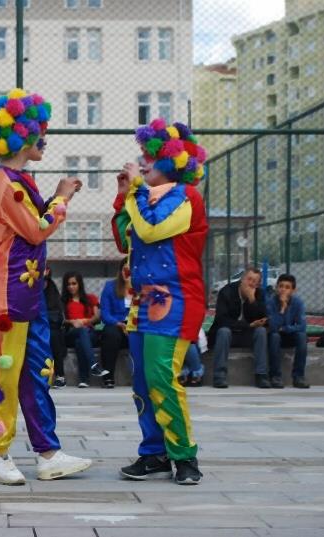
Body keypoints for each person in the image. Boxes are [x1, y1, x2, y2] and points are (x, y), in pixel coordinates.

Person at [0, 88, 91, 485]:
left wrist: (54, 200)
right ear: (22, 136)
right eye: (40, 133)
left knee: (37, 370)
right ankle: (1, 453)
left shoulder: (19, 179)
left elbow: (35, 222)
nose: (44, 139)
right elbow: (37, 229)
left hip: (29, 291)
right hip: (9, 293)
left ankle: (47, 451)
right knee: (5, 373)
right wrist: (61, 199)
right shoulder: (5, 184)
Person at [112, 117, 208, 485]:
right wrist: (124, 196)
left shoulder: (186, 197)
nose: (142, 161)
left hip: (176, 300)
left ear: (172, 160)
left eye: (148, 156)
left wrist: (135, 190)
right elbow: (127, 240)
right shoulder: (144, 197)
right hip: (142, 302)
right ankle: (154, 453)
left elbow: (152, 229)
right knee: (142, 382)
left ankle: (184, 456)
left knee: (161, 377)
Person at [208, 267, 268, 388]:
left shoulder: (259, 294)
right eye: (248, 279)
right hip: (228, 335)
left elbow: (263, 316)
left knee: (261, 331)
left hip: (246, 335)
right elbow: (222, 320)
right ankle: (219, 375)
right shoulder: (226, 292)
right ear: (242, 279)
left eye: (254, 281)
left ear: (258, 284)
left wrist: (252, 300)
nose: (250, 283)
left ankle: (261, 375)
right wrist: (248, 325)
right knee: (224, 331)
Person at [61, 271, 108, 387]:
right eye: (68, 284)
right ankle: (93, 365)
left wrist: (84, 321)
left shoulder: (90, 298)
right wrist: (72, 321)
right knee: (81, 333)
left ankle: (84, 380)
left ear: (79, 284)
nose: (71, 287)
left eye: (74, 283)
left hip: (89, 332)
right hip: (71, 332)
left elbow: (97, 317)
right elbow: (60, 319)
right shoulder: (63, 301)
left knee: (81, 340)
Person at [267, 274, 310, 389]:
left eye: (287, 287)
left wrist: (286, 328)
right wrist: (282, 308)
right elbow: (273, 326)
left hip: (289, 335)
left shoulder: (298, 303)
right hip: (275, 336)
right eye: (281, 286)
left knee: (302, 336)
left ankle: (298, 377)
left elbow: (302, 326)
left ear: (293, 290)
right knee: (274, 336)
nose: (283, 289)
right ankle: (275, 376)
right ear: (276, 287)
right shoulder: (270, 302)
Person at [99, 261, 132, 389]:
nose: (127, 273)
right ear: (120, 271)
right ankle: (108, 377)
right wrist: (119, 324)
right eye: (124, 269)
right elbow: (105, 314)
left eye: (130, 270)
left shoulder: (141, 287)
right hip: (116, 325)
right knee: (110, 333)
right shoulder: (110, 287)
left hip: (135, 325)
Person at [43, 268, 67, 388]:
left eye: (45, 281)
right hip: (34, 327)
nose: (43, 284)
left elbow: (58, 317)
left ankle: (60, 376)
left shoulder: (53, 294)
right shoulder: (30, 293)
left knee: (54, 335)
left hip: (51, 328)